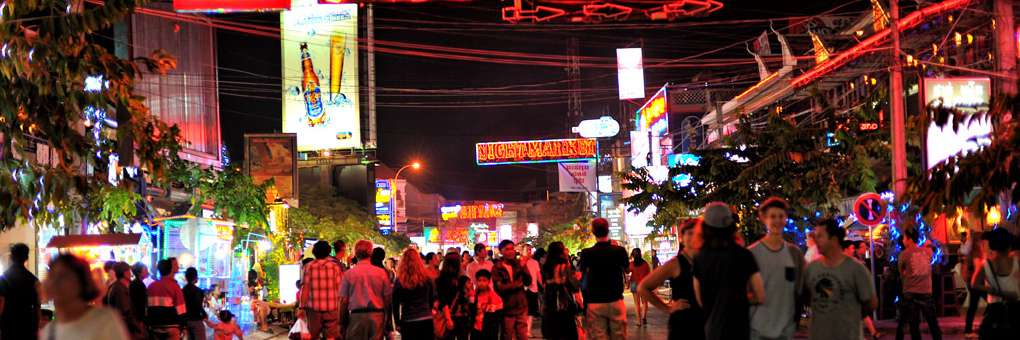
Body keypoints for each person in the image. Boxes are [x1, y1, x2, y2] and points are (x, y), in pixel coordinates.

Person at [692, 202, 765, 340]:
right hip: (739, 329)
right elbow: (760, 295)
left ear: (705, 227)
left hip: (713, 329)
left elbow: (700, 300)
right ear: (730, 226)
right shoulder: (744, 255)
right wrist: (741, 299)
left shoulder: (699, 258)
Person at [803, 218, 878, 340]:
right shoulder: (812, 269)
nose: (816, 240)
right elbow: (805, 297)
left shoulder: (856, 269)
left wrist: (849, 315)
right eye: (815, 236)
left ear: (833, 239)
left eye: (820, 236)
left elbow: (871, 303)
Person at [747, 197, 805, 340]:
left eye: (781, 216)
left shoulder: (795, 253)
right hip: (758, 329)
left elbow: (800, 287)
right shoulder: (752, 253)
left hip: (786, 329)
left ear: (786, 218)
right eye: (773, 216)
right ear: (763, 218)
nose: (777, 220)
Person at [639, 219, 704, 340]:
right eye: (689, 233)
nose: (694, 237)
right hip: (683, 325)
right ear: (682, 237)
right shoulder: (675, 264)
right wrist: (667, 308)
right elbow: (643, 287)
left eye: (697, 233)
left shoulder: (705, 260)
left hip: (704, 323)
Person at [40, 254, 129, 340]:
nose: (54, 284)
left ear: (79, 284)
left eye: (62, 278)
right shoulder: (50, 330)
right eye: (52, 276)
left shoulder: (104, 321)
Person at [578, 217, 630, 340]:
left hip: (595, 301)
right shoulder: (619, 251)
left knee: (598, 336)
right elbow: (627, 270)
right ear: (608, 230)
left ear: (593, 232)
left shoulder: (586, 253)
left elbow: (581, 274)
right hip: (615, 300)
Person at [970, 228, 1020, 340]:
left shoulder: (985, 265)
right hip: (1015, 310)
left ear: (993, 246)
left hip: (994, 312)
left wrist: (993, 290)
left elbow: (974, 284)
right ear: (1009, 246)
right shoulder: (1017, 262)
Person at [340, 240, 393, 340]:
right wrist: (388, 321)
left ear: (355, 253)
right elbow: (387, 299)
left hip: (356, 317)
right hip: (377, 316)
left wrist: (342, 322)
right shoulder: (381, 273)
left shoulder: (349, 274)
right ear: (370, 253)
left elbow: (343, 301)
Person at [896, 228, 942, 340]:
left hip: (910, 293)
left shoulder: (903, 254)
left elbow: (901, 273)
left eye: (904, 238)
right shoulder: (927, 252)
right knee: (933, 324)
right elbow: (932, 246)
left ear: (910, 239)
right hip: (926, 291)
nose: (903, 240)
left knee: (913, 325)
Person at [298, 240, 344, 340]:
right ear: (328, 252)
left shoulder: (308, 266)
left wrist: (301, 307)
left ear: (314, 252)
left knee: (313, 336)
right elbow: (340, 288)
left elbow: (305, 288)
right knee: (331, 336)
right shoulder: (335, 267)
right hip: (332, 308)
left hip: (314, 310)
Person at [0, 243, 41, 340]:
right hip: (28, 326)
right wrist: (36, 328)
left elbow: (1, 304)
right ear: (26, 258)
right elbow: (37, 307)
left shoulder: (3, 278)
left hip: (9, 327)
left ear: (11, 257)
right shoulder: (34, 280)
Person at [392, 248, 436, 338]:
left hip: (408, 320)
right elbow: (432, 297)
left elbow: (395, 303)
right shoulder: (427, 278)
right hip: (426, 319)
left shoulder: (400, 280)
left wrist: (397, 322)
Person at [492, 240, 531, 340]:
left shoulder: (519, 264)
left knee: (522, 335)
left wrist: (523, 267)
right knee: (507, 335)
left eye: (512, 249)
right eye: (507, 249)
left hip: (521, 305)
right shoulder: (497, 267)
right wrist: (516, 284)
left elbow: (528, 281)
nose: (511, 251)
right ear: (501, 251)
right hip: (507, 307)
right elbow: (500, 288)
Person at [541, 241, 580, 340]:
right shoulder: (564, 265)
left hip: (550, 301)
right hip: (564, 301)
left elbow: (543, 284)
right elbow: (574, 285)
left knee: (554, 331)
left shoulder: (546, 266)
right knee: (566, 330)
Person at [147, 258, 186, 340]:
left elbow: (147, 308)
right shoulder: (174, 286)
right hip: (171, 326)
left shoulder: (151, 286)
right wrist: (184, 327)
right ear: (171, 269)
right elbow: (181, 310)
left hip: (155, 327)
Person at [105, 262, 145, 340]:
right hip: (125, 329)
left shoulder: (118, 286)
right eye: (129, 271)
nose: (131, 273)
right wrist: (138, 326)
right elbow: (126, 311)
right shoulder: (119, 289)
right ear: (125, 273)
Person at [960, 231, 985, 338]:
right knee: (992, 302)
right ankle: (975, 328)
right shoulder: (976, 252)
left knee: (973, 306)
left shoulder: (972, 252)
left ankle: (969, 329)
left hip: (974, 282)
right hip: (977, 283)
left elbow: (965, 269)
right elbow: (977, 268)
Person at [472, 269, 503, 340]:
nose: (481, 283)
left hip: (489, 331)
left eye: (484, 280)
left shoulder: (495, 297)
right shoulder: (474, 295)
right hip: (476, 329)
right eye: (479, 280)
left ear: (489, 281)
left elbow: (499, 317)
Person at [521, 243, 542, 335]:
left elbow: (538, 275)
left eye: (530, 249)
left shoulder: (535, 262)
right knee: (523, 310)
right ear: (522, 251)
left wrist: (542, 285)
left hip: (533, 288)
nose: (529, 251)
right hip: (523, 289)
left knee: (531, 311)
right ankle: (523, 330)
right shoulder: (519, 262)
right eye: (527, 250)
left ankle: (528, 330)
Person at [182, 267, 208, 340]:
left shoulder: (182, 291)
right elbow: (199, 306)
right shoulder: (199, 291)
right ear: (195, 277)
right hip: (196, 320)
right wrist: (204, 314)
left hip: (186, 321)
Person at [628, 248, 651, 326]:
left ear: (633, 255)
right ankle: (644, 317)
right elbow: (649, 274)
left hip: (634, 283)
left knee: (636, 303)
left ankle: (638, 321)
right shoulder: (645, 264)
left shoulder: (631, 264)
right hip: (643, 284)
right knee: (644, 302)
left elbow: (627, 271)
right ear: (640, 254)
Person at [128, 262, 149, 332]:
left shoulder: (136, 283)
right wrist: (141, 320)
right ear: (139, 272)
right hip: (138, 318)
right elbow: (139, 304)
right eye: (145, 269)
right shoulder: (138, 284)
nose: (147, 271)